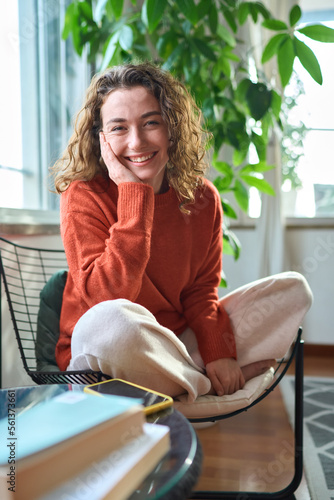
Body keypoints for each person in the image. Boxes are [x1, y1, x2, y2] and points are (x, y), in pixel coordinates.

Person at [52, 62, 312, 402]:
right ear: (100, 138)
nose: (136, 141)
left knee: (293, 290)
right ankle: (202, 386)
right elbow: (106, 298)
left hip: (172, 344)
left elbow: (201, 291)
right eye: (118, 128)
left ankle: (178, 383)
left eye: (151, 123)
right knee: (110, 322)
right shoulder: (84, 195)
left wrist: (218, 349)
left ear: (172, 127)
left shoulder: (202, 197)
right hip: (103, 352)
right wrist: (134, 195)